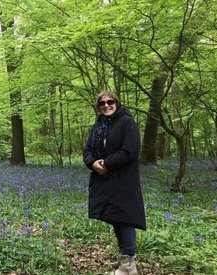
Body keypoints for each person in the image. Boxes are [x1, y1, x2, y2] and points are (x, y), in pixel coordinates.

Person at [83, 91, 146, 275]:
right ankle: (124, 258)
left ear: (116, 103)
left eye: (110, 102)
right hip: (105, 180)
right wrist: (92, 163)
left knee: (125, 218)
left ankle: (128, 265)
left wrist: (107, 164)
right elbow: (87, 150)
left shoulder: (127, 122)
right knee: (115, 218)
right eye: (102, 103)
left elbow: (130, 151)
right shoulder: (98, 125)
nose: (106, 105)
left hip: (123, 180)